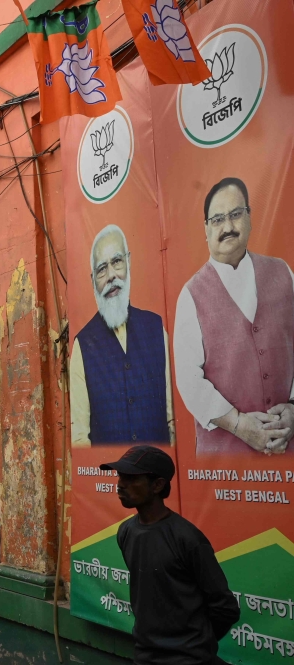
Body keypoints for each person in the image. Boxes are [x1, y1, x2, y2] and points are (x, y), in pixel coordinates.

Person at [174, 177, 294, 456]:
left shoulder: (283, 273)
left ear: (249, 217)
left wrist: (293, 408)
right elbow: (189, 381)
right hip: (225, 463)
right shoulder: (191, 295)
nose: (227, 227)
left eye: (235, 215)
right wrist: (239, 425)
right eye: (217, 219)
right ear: (205, 229)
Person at [101, 446, 240, 664]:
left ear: (157, 485)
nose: (120, 484)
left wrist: (193, 645)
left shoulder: (187, 538)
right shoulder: (126, 532)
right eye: (120, 476)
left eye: (130, 478)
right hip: (146, 656)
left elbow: (225, 608)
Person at [71, 225, 174, 446]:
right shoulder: (82, 345)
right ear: (93, 282)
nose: (111, 276)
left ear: (129, 263)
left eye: (117, 262)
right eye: (101, 269)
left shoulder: (156, 329)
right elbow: (80, 437)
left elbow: (172, 418)